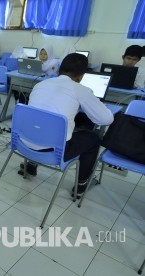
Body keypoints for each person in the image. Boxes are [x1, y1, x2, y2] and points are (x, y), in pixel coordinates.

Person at [24, 53, 114, 198]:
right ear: (81, 76)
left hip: (25, 143)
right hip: (54, 152)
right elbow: (106, 119)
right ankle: (81, 185)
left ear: (59, 69)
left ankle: (31, 164)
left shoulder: (40, 84)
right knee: (93, 139)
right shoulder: (81, 90)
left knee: (45, 125)